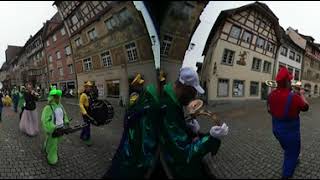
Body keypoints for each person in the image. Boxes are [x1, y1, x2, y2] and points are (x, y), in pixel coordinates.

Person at [159, 67, 229, 178]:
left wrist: (188, 127)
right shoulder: (167, 106)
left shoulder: (173, 99)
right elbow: (184, 154)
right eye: (192, 92)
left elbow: (175, 129)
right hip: (176, 168)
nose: (194, 96)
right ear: (183, 87)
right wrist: (210, 138)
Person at [104, 74, 160, 179]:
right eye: (139, 85)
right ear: (136, 86)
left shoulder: (142, 94)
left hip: (135, 124)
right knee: (126, 142)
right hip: (131, 124)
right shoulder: (134, 95)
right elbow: (132, 110)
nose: (141, 86)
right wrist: (143, 109)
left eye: (141, 84)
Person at [267, 67, 309, 179]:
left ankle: (293, 158)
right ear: (286, 82)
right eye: (290, 80)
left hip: (276, 130)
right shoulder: (294, 97)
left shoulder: (270, 96)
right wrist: (301, 94)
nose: (291, 82)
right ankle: (287, 174)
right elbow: (306, 107)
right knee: (291, 153)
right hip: (290, 133)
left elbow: (269, 111)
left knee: (288, 149)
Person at [41, 87, 70, 165]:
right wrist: (52, 127)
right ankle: (52, 157)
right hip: (54, 129)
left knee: (56, 142)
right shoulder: (48, 108)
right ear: (52, 97)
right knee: (53, 143)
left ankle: (47, 148)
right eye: (56, 96)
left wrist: (66, 121)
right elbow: (45, 120)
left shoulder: (60, 106)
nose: (58, 98)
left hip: (61, 128)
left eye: (58, 96)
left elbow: (64, 114)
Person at [79, 81, 94, 146]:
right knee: (88, 126)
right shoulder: (83, 95)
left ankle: (82, 135)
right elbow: (80, 104)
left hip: (89, 111)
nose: (90, 88)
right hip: (85, 112)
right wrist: (84, 112)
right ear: (86, 87)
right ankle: (88, 139)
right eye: (88, 87)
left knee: (86, 124)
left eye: (90, 87)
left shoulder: (89, 94)